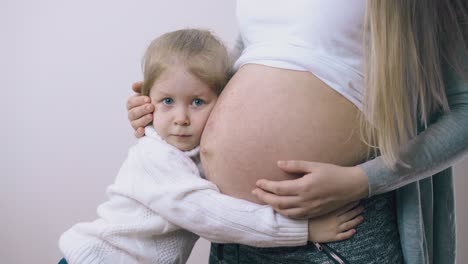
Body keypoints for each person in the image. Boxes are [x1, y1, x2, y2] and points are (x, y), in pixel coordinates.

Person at [128, 0, 468, 263]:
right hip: (240, 231)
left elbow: (464, 108)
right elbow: (242, 66)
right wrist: (167, 107)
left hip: (336, 229)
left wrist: (363, 180)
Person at [59, 29, 365, 264]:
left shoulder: (186, 154)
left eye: (197, 102)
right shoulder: (154, 157)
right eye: (167, 101)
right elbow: (213, 216)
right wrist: (303, 230)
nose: (181, 119)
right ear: (147, 99)